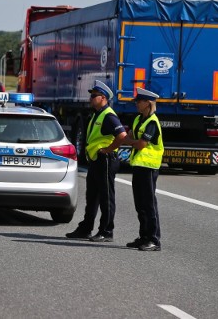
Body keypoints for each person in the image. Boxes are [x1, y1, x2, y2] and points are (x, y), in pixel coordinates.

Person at [66, 80, 126, 242]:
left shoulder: (109, 116)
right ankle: (86, 228)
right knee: (92, 196)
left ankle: (106, 231)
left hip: (105, 159)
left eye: (94, 96)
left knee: (106, 197)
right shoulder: (97, 114)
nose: (91, 99)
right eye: (91, 96)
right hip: (96, 160)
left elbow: (122, 136)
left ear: (104, 98)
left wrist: (108, 149)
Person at [124, 87, 164, 251]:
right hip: (138, 166)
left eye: (139, 101)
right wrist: (133, 141)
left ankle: (154, 239)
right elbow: (129, 138)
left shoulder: (152, 122)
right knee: (140, 204)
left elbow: (140, 143)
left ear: (148, 103)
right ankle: (143, 236)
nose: (136, 104)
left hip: (149, 168)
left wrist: (133, 141)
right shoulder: (138, 119)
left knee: (149, 204)